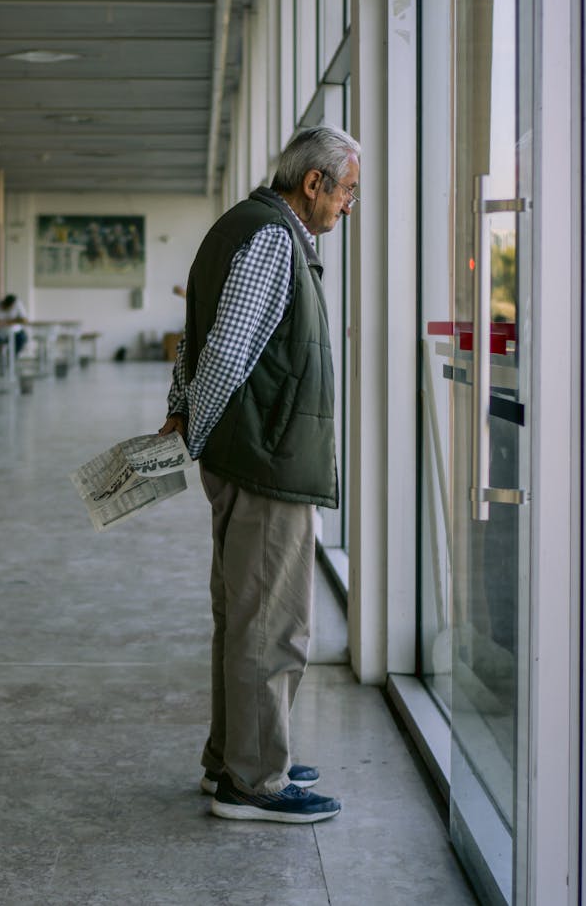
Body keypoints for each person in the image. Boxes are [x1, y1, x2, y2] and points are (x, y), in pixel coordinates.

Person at [159, 124, 361, 824]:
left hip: (249, 455)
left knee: (243, 615)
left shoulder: (236, 227)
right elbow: (225, 353)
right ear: (315, 183)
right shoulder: (273, 236)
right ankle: (255, 779)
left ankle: (235, 755)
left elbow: (194, 341)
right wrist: (201, 433)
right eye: (348, 191)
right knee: (272, 625)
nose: (348, 206)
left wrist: (183, 416)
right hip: (265, 461)